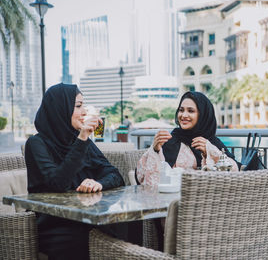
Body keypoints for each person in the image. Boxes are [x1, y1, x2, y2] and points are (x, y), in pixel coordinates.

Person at [25, 83, 125, 260]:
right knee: (84, 238)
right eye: (78, 106)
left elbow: (115, 175)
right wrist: (82, 138)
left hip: (87, 217)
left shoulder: (78, 140)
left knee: (126, 226)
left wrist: (98, 183)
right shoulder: (36, 144)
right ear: (60, 109)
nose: (84, 111)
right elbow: (57, 183)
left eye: (83, 105)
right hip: (55, 224)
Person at [137, 91, 239, 186]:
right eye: (181, 110)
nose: (184, 115)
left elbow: (235, 173)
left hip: (210, 200)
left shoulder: (211, 142)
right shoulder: (170, 140)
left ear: (202, 115)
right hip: (174, 200)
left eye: (191, 111)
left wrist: (210, 151)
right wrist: (155, 150)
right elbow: (142, 177)